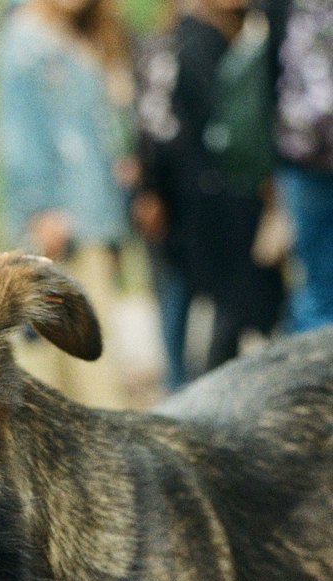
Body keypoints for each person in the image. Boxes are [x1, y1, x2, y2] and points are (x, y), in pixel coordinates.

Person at [133, 0, 285, 388]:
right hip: (192, 200)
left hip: (220, 196)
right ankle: (184, 390)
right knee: (194, 301)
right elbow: (156, 126)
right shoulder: (182, 44)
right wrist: (149, 188)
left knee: (220, 305)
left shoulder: (245, 35)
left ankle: (197, 387)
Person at [0, 0, 135, 406]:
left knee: (88, 346)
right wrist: (40, 210)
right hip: (63, 223)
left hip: (95, 214)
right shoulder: (23, 41)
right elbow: (18, 138)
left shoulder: (75, 33)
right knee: (74, 355)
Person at [265, 0, 333, 330]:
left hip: (301, 157)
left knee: (315, 285)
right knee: (315, 283)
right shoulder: (280, 6)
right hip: (303, 163)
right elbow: (270, 77)